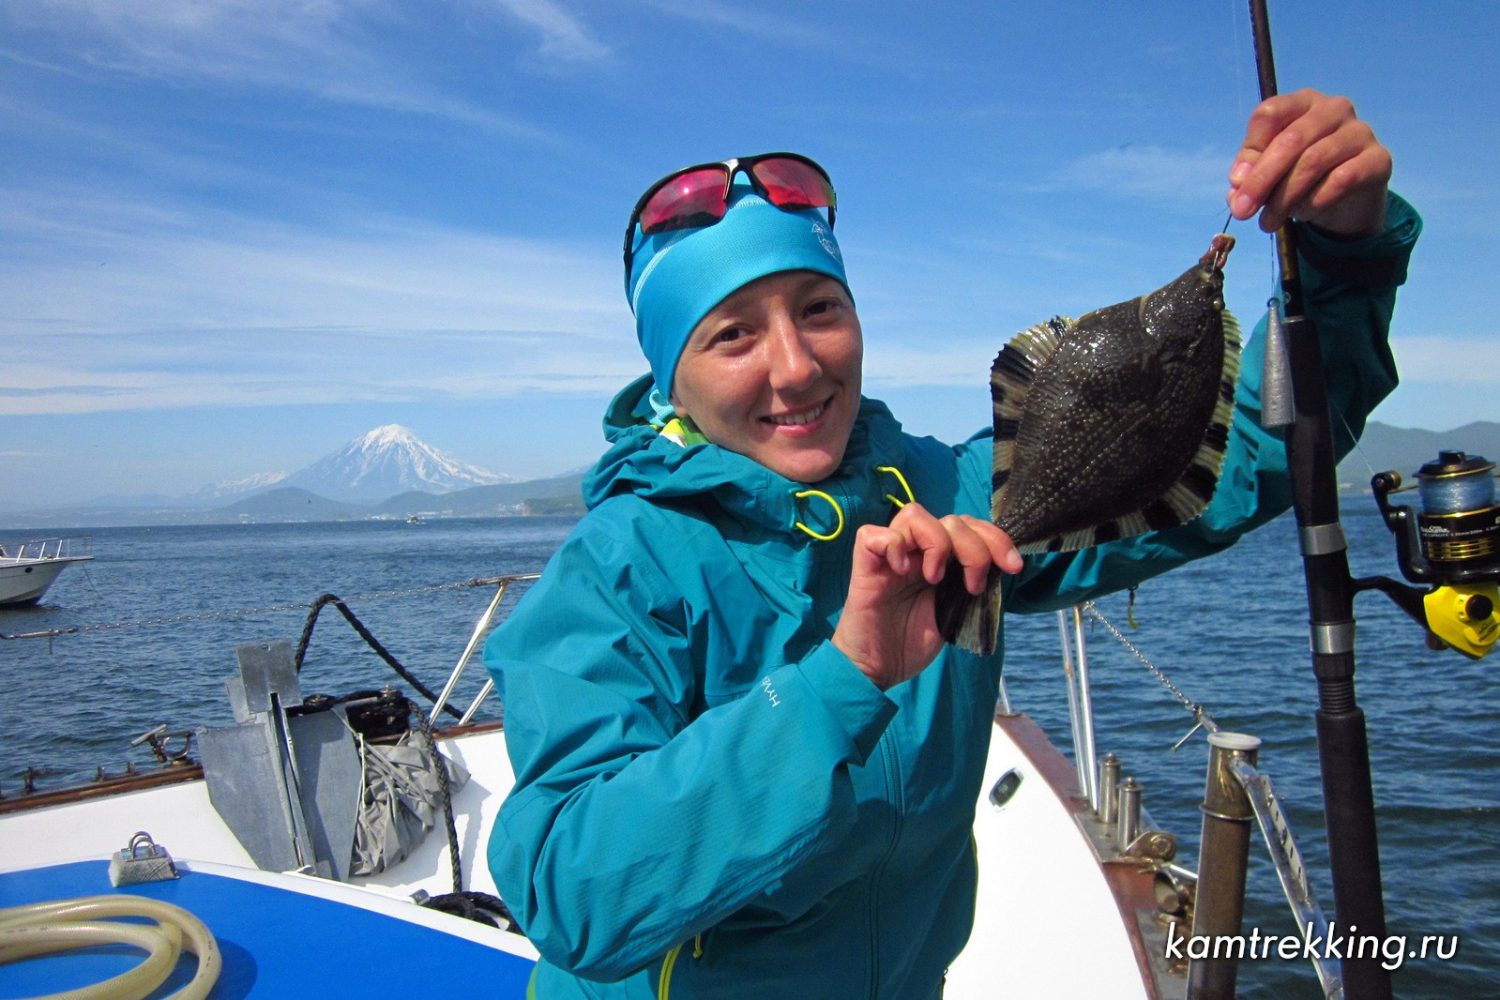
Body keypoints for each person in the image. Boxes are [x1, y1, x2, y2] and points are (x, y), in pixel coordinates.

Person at [484, 89, 1419, 998]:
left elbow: (1238, 460)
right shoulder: (615, 572)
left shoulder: (951, 496)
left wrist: (1343, 254)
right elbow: (576, 897)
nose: (797, 366)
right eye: (732, 335)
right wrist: (837, 680)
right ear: (670, 377)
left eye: (819, 308)